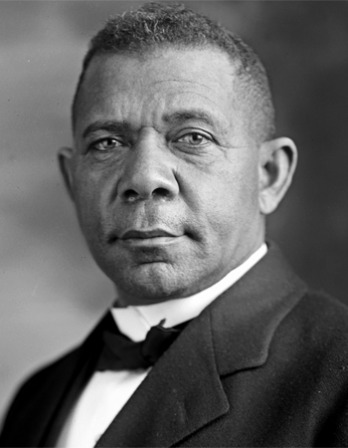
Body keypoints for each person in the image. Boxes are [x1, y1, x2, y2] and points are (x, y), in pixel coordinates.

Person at [1, 2, 348, 447]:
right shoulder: (38, 396)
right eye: (107, 142)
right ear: (72, 180)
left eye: (193, 138)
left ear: (269, 175)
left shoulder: (338, 371)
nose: (145, 178)